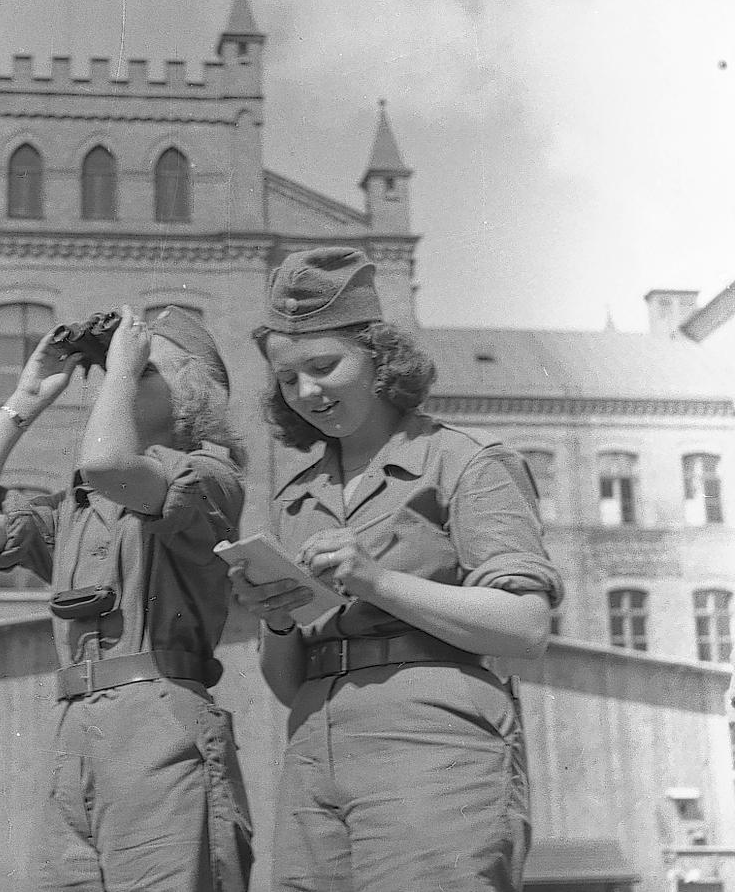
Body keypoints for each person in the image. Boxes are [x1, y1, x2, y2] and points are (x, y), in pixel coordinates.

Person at [229, 246, 564, 892]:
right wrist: (277, 621)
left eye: (324, 366)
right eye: (288, 379)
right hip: (313, 746)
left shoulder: (465, 462)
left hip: (434, 743)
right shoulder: (296, 497)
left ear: (380, 359)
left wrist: (375, 580)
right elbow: (287, 682)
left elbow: (525, 626)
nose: (307, 392)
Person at [0, 304, 253, 892]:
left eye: (143, 368)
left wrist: (120, 363)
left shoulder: (211, 478)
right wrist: (25, 400)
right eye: (114, 371)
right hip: (77, 731)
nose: (117, 379)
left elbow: (108, 464)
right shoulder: (77, 510)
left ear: (192, 394)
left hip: (161, 722)